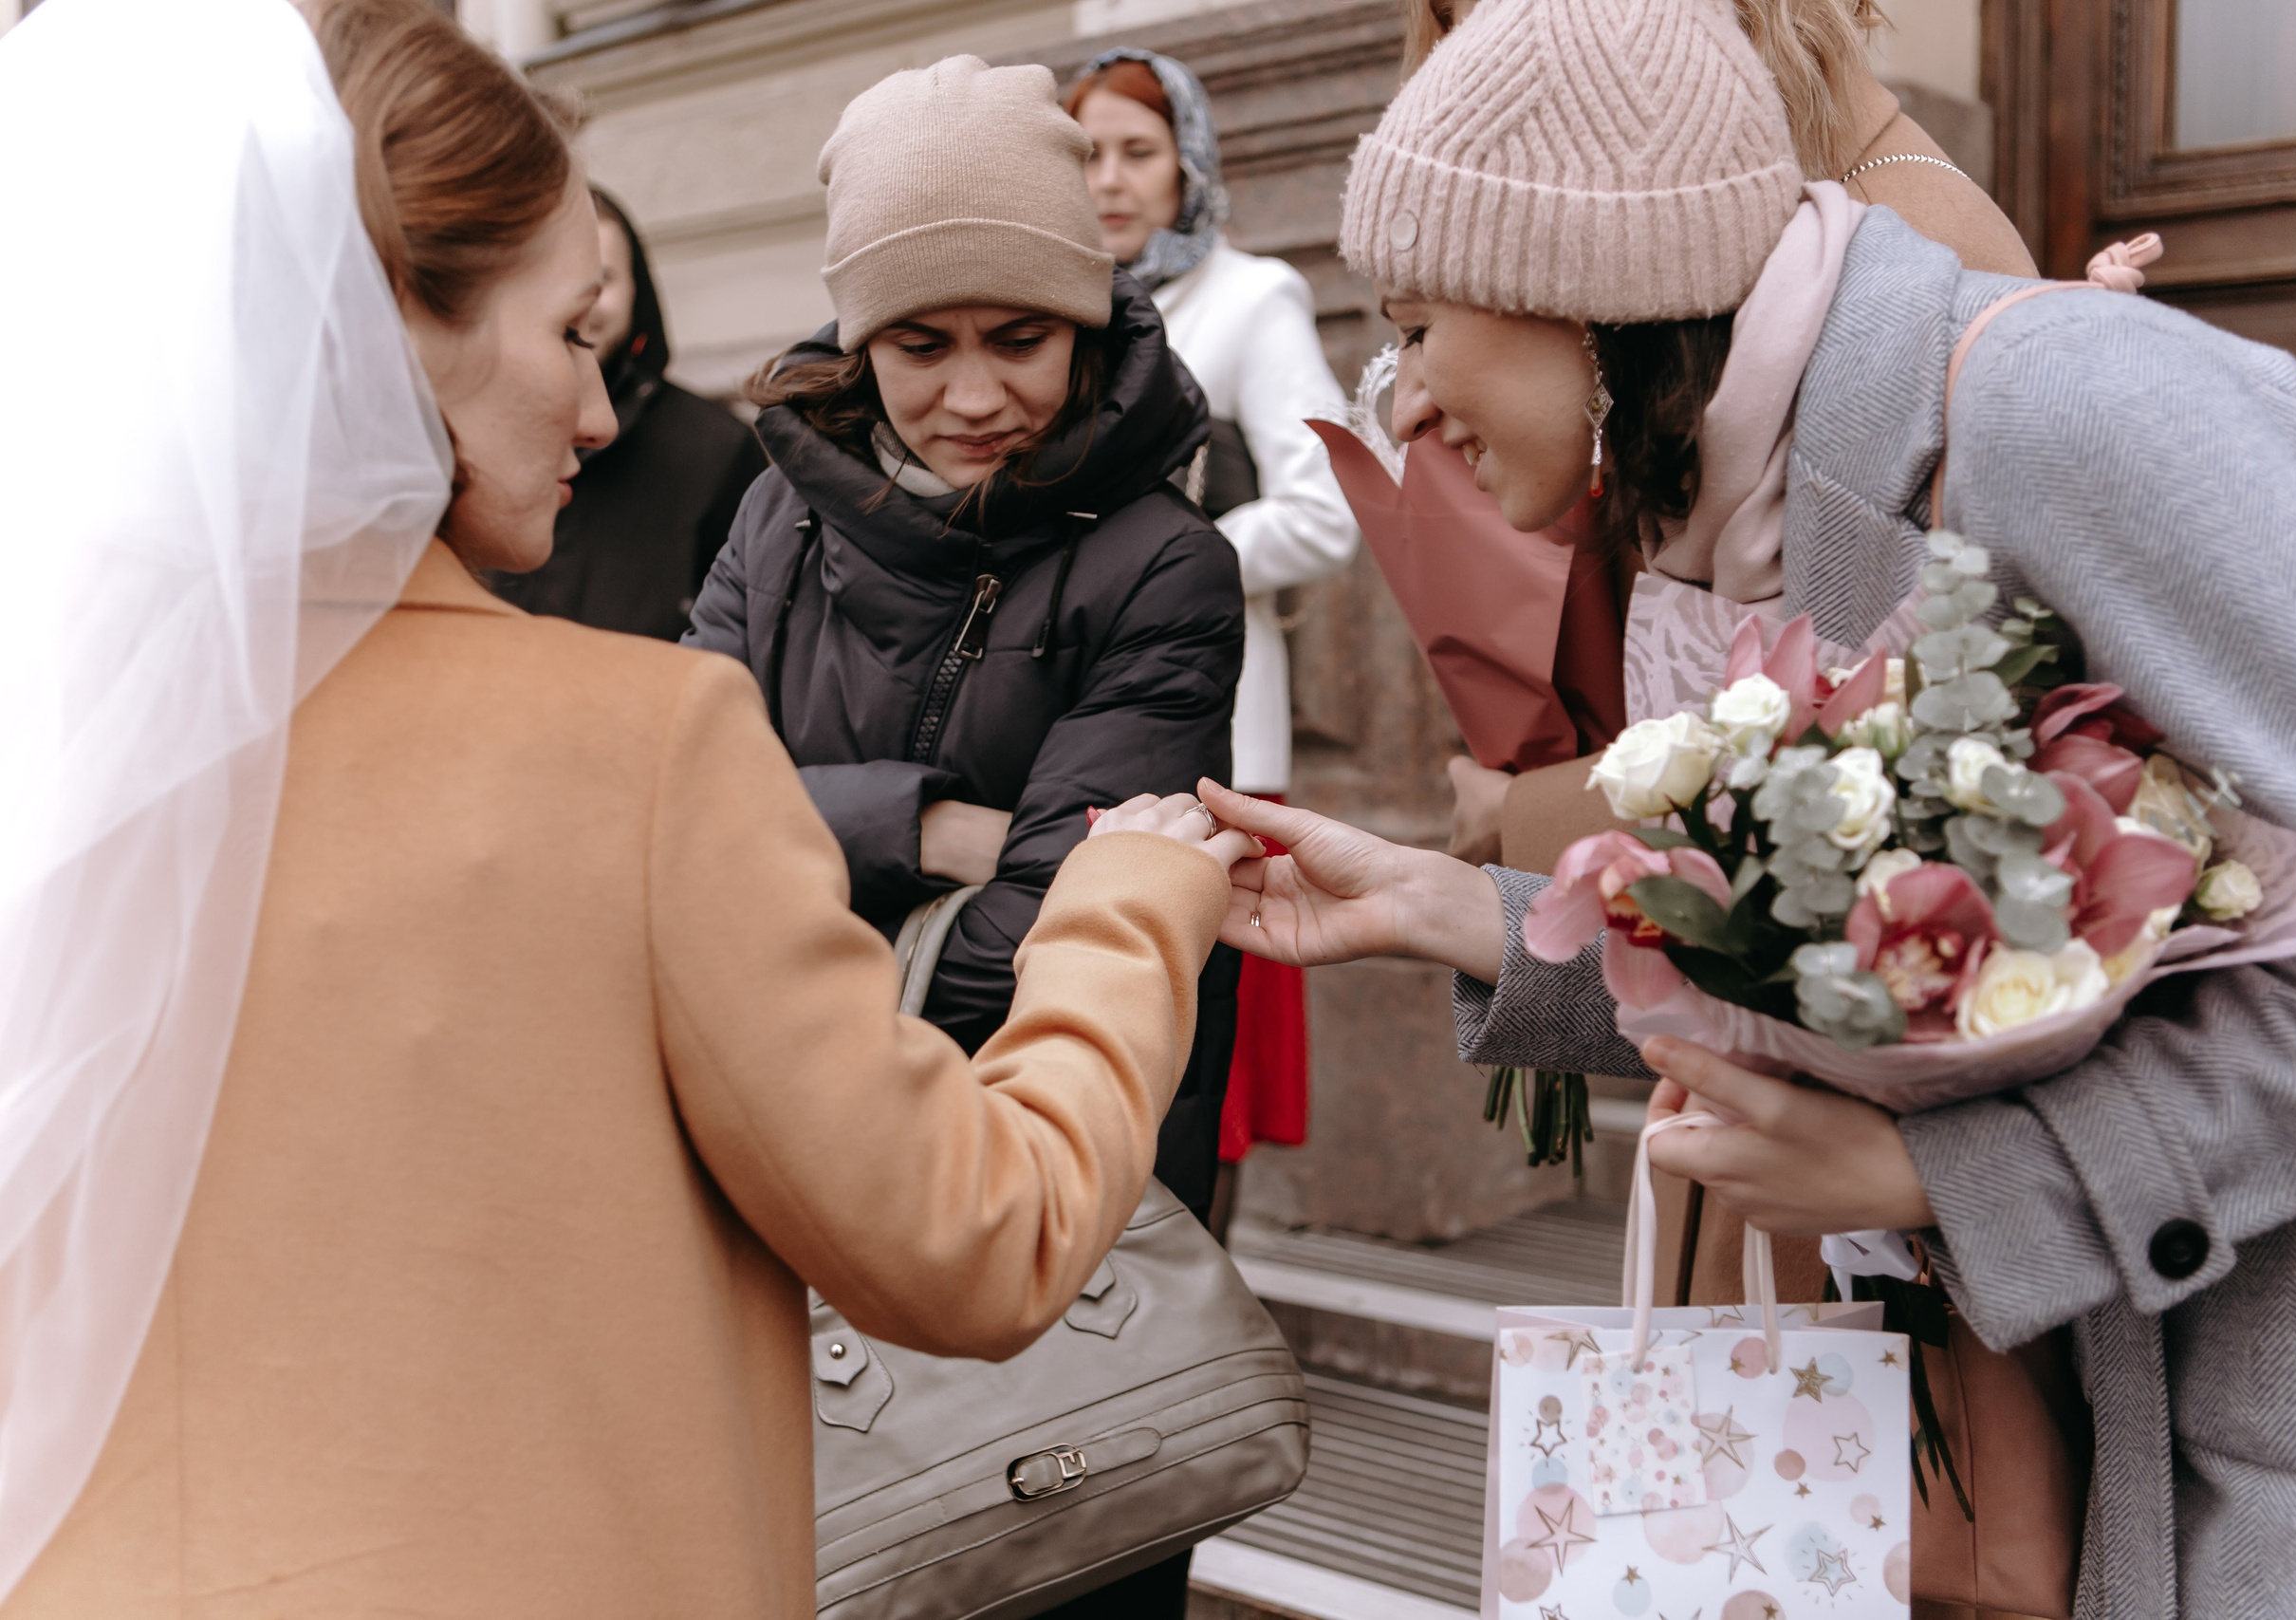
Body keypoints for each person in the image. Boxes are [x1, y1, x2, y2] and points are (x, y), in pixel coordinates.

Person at [0, 0, 1251, 1611]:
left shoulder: (67, 743)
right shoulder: (635, 748)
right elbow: (976, 1232)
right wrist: (1129, 900)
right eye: (574, 334)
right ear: (400, 338)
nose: (603, 410)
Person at [1191, 0, 2296, 1614]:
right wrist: (1461, 914)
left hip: (2270, 1451)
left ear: (1582, 287)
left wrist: (1947, 1178)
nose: (1403, 403)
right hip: (2020, 1431)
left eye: (1418, 327)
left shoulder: (2076, 402)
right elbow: (1878, 965)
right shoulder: (1725, 520)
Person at [682, 58, 1246, 1223]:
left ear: (1082, 323)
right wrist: (924, 828)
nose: (976, 397)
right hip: (776, 1162)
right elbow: (674, 822)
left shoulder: (1164, 564)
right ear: (862, 343)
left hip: (1034, 1169)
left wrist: (762, 1004)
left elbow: (1062, 928)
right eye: (921, 346)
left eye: (1020, 338)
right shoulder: (777, 512)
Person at [1405, 0, 2035, 879]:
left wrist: (1527, 815)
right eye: (1455, 20)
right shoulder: (1678, 253)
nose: (1479, 55)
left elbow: (1899, 740)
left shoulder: (1902, 261)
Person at [1065, 47, 1361, 1228]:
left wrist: (1165, 572)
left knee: (1205, 1050)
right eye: (1086, 153)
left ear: (1188, 164)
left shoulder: (1251, 299)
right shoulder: (1054, 304)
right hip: (1072, 708)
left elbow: (1326, 506)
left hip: (1213, 720)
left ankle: (1200, 1297)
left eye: (1137, 152)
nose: (1109, 179)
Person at [488, 187, 764, 640]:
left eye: (603, 279)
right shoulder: (471, 433)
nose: (584, 304)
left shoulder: (716, 447)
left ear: (638, 287)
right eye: (558, 278)